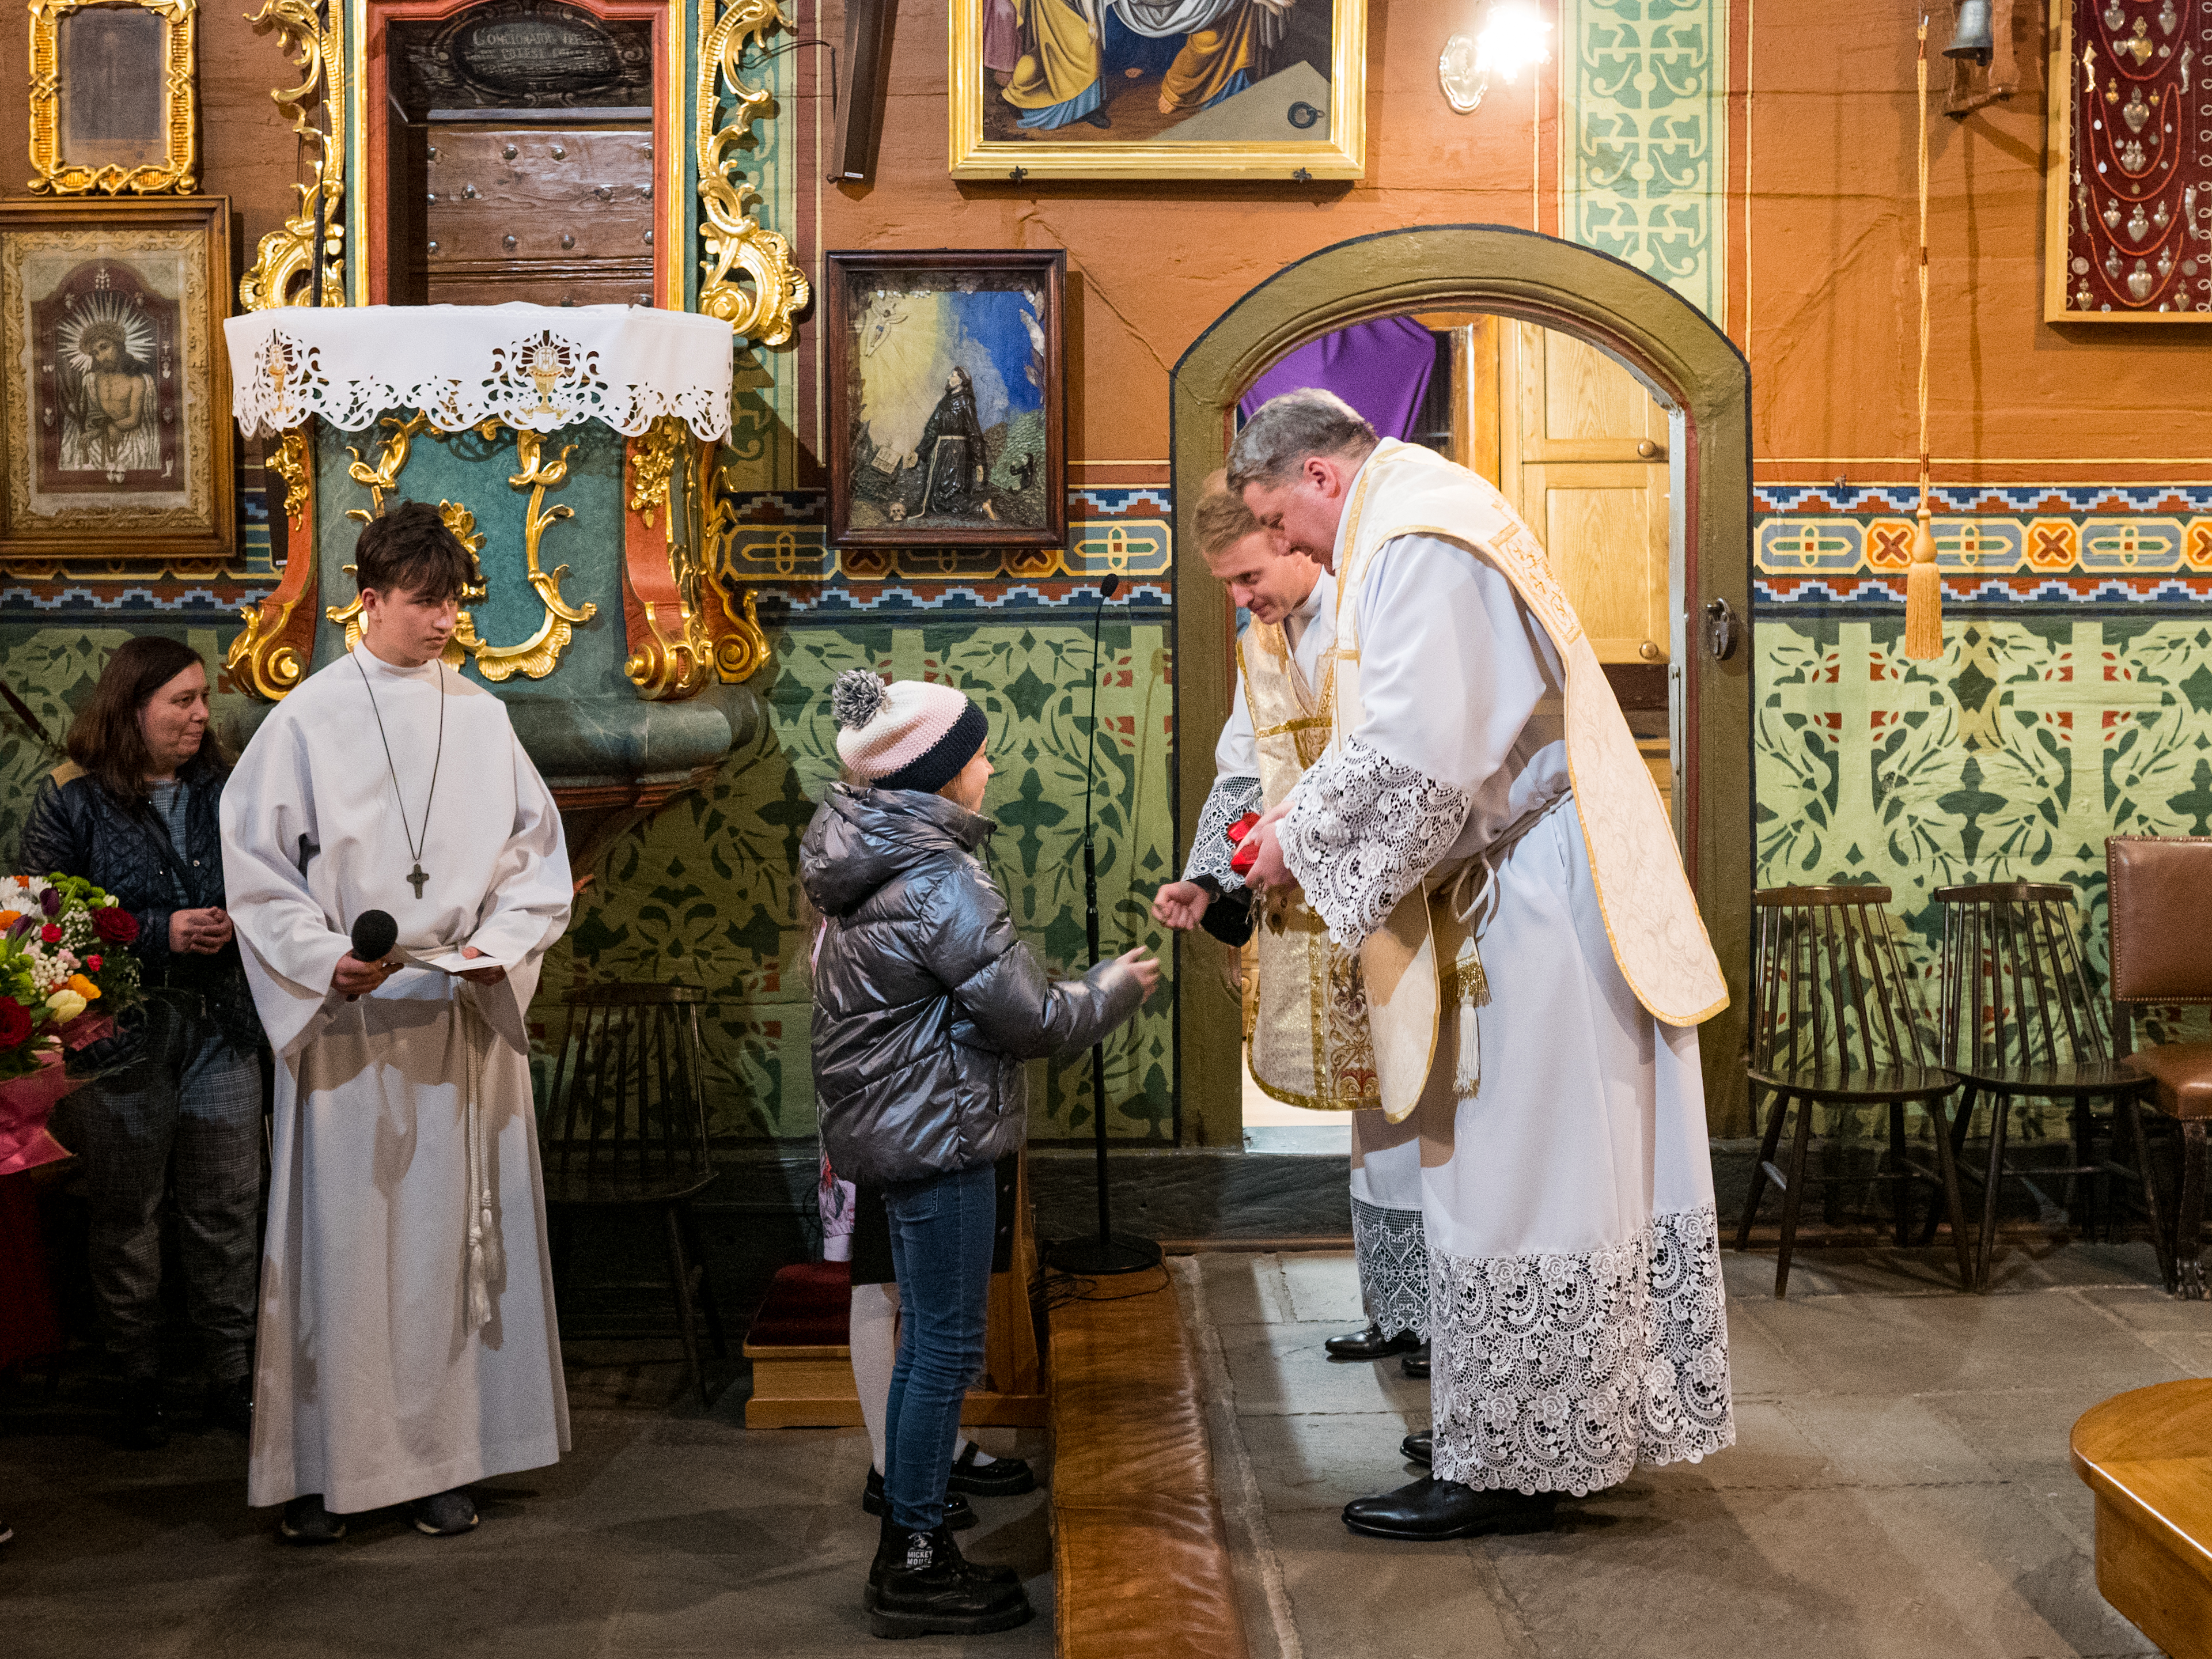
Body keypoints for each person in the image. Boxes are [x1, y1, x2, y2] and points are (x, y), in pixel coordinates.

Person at [1229, 389, 1736, 1540]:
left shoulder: (1417, 540)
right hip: (1543, 874)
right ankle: (1539, 1428)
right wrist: (1304, 824)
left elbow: (1420, 758)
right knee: (1555, 1171)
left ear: (1318, 475)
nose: (1284, 545)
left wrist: (1292, 851)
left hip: (1538, 906)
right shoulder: (1426, 515)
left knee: (1514, 1174)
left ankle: (1508, 1463)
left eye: (1277, 516)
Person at [220, 499, 574, 1545]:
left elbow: (534, 867)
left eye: (454, 601)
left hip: (460, 1021)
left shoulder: (483, 717)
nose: (445, 622)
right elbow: (257, 876)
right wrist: (323, 959)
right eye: (424, 602)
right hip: (352, 1029)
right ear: (366, 600)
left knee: (452, 1261)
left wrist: (498, 953)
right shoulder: (306, 721)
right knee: (348, 1257)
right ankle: (330, 1471)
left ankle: (448, 1463)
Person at [802, 669, 1158, 1638]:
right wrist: (1115, 987)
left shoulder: (870, 857)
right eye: (978, 753)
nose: (992, 765)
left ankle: (912, 1548)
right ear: (943, 774)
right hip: (942, 1133)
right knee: (944, 1350)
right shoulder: (938, 879)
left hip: (906, 1124)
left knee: (931, 1344)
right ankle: (915, 1558)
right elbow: (1031, 1016)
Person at [1150, 484, 1432, 1376]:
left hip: (1401, 903)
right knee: (1373, 1120)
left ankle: (1449, 1322)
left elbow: (1398, 757)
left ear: (1295, 540)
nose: (1240, 598)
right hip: (1310, 912)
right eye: (1227, 585)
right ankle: (1398, 1309)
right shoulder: (1262, 642)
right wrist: (1210, 879)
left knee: (1426, 1107)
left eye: (1248, 576)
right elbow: (1243, 769)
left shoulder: (1368, 613)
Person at [20, 637, 266, 1449]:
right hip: (117, 1041)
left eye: (203, 699)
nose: (201, 715)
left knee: (226, 1207)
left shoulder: (228, 790)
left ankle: (231, 1375)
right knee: (129, 1214)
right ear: (133, 709)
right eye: (182, 702)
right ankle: (137, 1379)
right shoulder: (72, 799)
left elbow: (277, 884)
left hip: (221, 1026)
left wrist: (245, 921)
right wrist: (163, 932)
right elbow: (41, 925)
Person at [893, 368, 991, 522]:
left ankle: (981, 506)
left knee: (951, 494)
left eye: (953, 376)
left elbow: (974, 432)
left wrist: (979, 461)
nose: (949, 377)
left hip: (958, 453)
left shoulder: (966, 401)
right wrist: (920, 451)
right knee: (937, 499)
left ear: (961, 381)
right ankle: (980, 506)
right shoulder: (945, 402)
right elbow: (932, 428)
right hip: (942, 451)